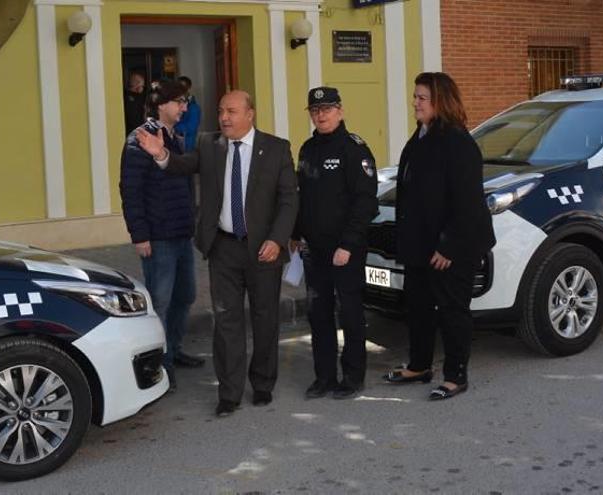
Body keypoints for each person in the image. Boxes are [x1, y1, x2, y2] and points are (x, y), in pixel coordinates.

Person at [136, 90, 298, 417]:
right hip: (223, 247)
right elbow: (181, 165)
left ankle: (263, 384)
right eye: (221, 110)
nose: (224, 117)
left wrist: (278, 240)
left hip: (263, 249)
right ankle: (229, 392)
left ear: (250, 114)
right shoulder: (210, 145)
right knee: (226, 321)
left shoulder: (276, 148)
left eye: (232, 111)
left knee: (265, 319)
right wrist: (161, 155)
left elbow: (289, 200)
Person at [383, 72, 496, 400]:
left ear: (440, 101)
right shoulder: (420, 136)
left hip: (452, 246)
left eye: (421, 97)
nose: (414, 102)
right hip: (420, 245)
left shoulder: (457, 141)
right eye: (415, 96)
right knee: (417, 308)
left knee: (452, 310)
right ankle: (419, 365)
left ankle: (456, 375)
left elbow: (468, 202)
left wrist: (449, 245)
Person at [292, 87, 378, 400]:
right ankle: (324, 377)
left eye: (327, 109)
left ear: (340, 111)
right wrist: (295, 234)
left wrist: (348, 244)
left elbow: (366, 202)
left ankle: (353, 377)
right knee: (318, 314)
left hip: (345, 250)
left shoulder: (354, 149)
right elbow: (302, 199)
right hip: (314, 250)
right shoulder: (307, 149)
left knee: (351, 313)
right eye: (315, 110)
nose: (321, 115)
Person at [120, 79, 204, 392]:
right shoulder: (140, 139)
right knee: (160, 302)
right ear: (160, 105)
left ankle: (175, 350)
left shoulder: (173, 137)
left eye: (184, 103)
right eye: (179, 102)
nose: (184, 108)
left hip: (181, 234)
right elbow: (130, 190)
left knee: (186, 296)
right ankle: (160, 367)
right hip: (157, 238)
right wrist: (139, 235)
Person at [174, 76, 202, 152]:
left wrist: (172, 126)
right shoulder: (174, 103)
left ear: (189, 88)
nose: (180, 90)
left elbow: (191, 128)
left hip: (187, 148)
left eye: (183, 87)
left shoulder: (194, 108)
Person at [124, 71, 147, 135]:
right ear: (137, 84)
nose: (142, 88)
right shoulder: (136, 99)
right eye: (142, 86)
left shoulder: (124, 96)